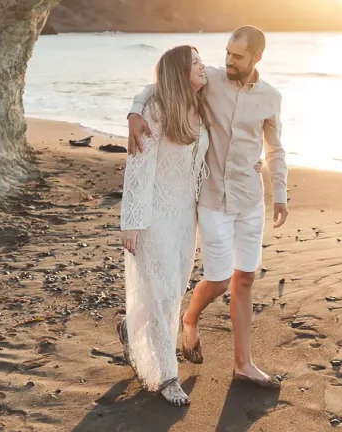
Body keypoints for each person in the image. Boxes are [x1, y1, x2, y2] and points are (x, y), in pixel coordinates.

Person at [127, 25, 288, 388]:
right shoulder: (210, 79)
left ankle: (243, 364)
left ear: (257, 58)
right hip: (213, 200)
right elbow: (160, 85)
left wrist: (280, 192)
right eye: (228, 53)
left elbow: (275, 148)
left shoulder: (271, 97)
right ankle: (190, 318)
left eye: (238, 57)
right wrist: (135, 111)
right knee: (218, 279)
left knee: (245, 278)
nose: (228, 61)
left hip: (250, 201)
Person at [119, 44, 211, 406]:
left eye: (202, 60)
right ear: (178, 73)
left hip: (185, 215)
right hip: (154, 215)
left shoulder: (200, 104)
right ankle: (166, 375)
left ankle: (131, 328)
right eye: (196, 63)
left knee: (173, 286)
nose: (204, 66)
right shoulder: (156, 111)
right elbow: (139, 169)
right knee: (163, 295)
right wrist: (134, 222)